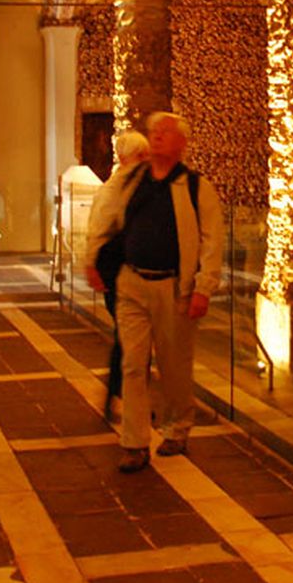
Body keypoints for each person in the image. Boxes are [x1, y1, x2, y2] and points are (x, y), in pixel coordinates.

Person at [86, 112, 223, 473]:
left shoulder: (196, 187)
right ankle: (134, 442)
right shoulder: (131, 180)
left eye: (166, 132)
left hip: (173, 287)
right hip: (131, 283)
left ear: (181, 143)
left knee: (174, 366)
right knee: (133, 363)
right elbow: (106, 217)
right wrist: (92, 257)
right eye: (154, 132)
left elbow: (212, 241)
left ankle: (178, 426)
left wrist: (203, 288)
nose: (157, 137)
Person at [89, 131, 149, 421]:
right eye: (142, 157)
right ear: (129, 159)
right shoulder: (115, 190)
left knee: (130, 339)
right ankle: (120, 398)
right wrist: (92, 266)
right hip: (117, 274)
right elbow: (98, 232)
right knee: (129, 340)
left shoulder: (134, 188)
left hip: (124, 273)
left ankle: (122, 397)